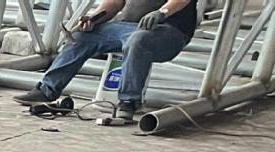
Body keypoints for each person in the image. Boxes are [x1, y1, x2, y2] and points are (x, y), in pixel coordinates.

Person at [15, 0, 200, 125]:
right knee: (81, 37)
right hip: (129, 27)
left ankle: (128, 102)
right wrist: (94, 19)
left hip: (169, 31)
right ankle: (47, 90)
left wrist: (162, 12)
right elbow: (114, 3)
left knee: (138, 40)